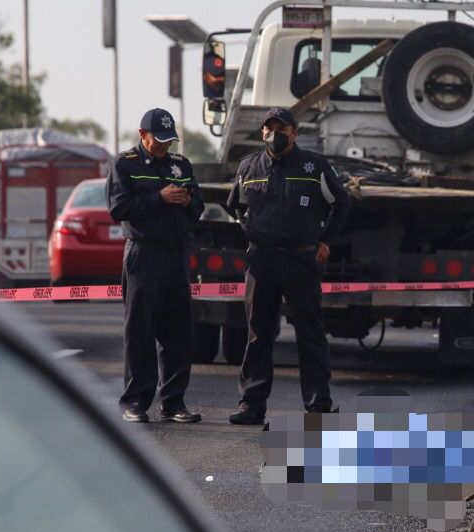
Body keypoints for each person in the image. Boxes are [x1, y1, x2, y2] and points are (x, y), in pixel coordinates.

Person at [225, 107, 351, 425]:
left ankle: (318, 405)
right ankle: (251, 405)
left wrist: (325, 241)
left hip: (300, 260)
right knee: (258, 335)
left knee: (310, 332)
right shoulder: (248, 166)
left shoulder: (314, 166)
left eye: (281, 128)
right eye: (269, 128)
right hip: (261, 261)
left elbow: (342, 202)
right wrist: (250, 232)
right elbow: (234, 206)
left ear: (295, 132)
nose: (275, 133)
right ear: (262, 132)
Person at [107, 108, 204, 423]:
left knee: (179, 331)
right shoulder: (125, 164)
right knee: (140, 329)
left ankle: (174, 402)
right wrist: (159, 198)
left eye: (169, 140)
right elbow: (118, 208)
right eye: (159, 140)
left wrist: (188, 202)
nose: (164, 146)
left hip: (176, 254)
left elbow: (199, 207)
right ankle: (135, 401)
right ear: (142, 134)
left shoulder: (181, 165)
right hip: (143, 253)